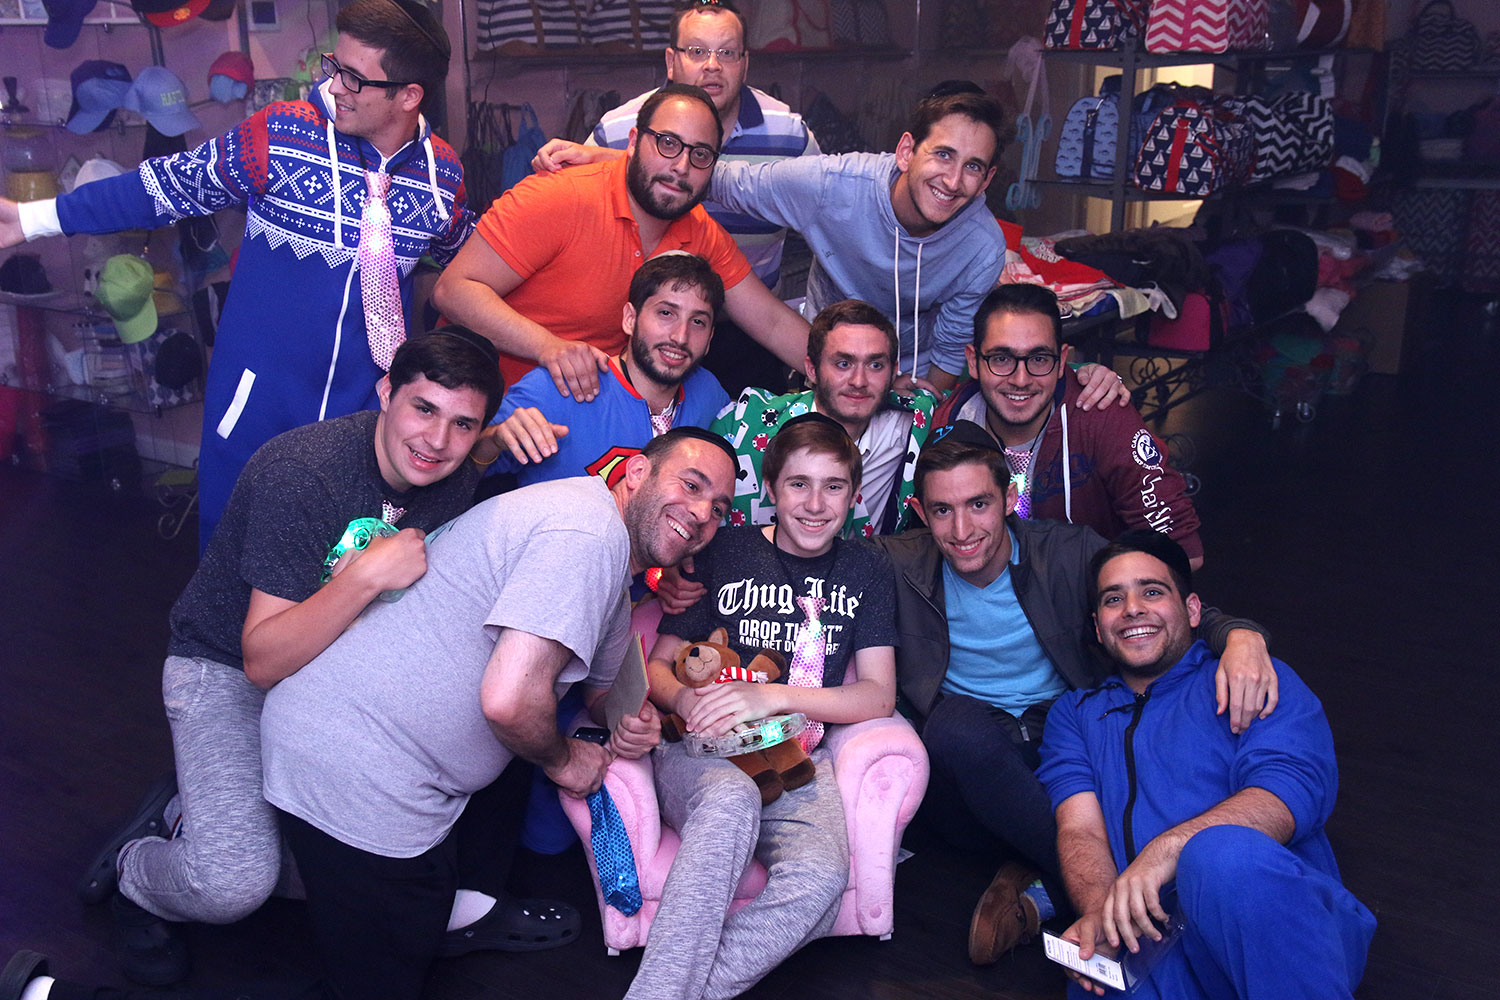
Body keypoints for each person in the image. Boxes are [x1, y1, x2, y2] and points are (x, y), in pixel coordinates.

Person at [4, 428, 739, 1000]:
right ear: (635, 474)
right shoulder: (587, 534)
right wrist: (565, 758)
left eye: (719, 508)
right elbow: (512, 701)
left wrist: (632, 718)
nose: (703, 514)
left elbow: (602, 685)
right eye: (692, 485)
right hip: (351, 764)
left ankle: (389, 896)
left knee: (408, 937)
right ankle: (57, 990)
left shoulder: (608, 561)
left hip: (394, 770)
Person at [75, 329, 506, 987]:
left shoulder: (455, 473)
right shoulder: (302, 472)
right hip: (225, 667)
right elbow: (262, 660)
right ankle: (137, 871)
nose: (437, 440)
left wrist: (509, 437)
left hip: (332, 673)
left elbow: (480, 460)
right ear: (386, 391)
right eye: (423, 408)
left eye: (462, 425)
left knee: (364, 873)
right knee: (234, 882)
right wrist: (366, 576)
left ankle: (195, 811)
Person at [0, 0, 471, 549]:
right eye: (333, 66)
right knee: (232, 562)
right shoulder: (282, 134)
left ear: (409, 95)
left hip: (366, 422)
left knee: (343, 570)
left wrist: (558, 175)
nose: (333, 86)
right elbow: (163, 187)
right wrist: (32, 219)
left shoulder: (442, 176)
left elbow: (478, 264)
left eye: (354, 77)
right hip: (258, 406)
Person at [876, 423, 1276, 967]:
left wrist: (1238, 633)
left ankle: (1043, 889)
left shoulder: (1067, 552)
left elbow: (1146, 598)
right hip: (968, 770)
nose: (962, 529)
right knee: (954, 729)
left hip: (1060, 748)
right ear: (920, 513)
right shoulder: (895, 562)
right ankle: (1114, 901)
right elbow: (811, 560)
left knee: (1118, 764)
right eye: (943, 510)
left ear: (1009, 499)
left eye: (979, 504)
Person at [1037, 532, 1375, 999]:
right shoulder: (1074, 716)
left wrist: (1167, 851)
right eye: (1113, 599)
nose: (1132, 608)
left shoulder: (1249, 676)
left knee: (1220, 857)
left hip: (1274, 932)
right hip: (1157, 949)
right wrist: (1100, 913)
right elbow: (1081, 830)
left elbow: (1288, 795)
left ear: (1193, 610)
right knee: (1094, 978)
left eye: (1152, 591)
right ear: (1098, 627)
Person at [632, 414, 898, 1000]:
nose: (815, 504)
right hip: (702, 750)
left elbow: (878, 694)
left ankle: (684, 992)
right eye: (799, 484)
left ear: (855, 495)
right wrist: (686, 698)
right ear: (772, 489)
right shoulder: (725, 550)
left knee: (823, 878)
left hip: (794, 753)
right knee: (731, 798)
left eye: (833, 486)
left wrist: (772, 694)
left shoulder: (868, 569)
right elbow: (658, 664)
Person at [433, 83, 808, 405]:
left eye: (700, 155)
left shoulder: (699, 230)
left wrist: (837, 370)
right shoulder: (560, 196)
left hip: (590, 417)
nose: (681, 166)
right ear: (632, 142)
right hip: (480, 411)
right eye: (667, 143)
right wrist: (548, 346)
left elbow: (772, 322)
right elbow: (453, 290)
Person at [587, 0, 820, 392]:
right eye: (696, 51)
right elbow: (582, 220)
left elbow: (829, 222)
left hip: (748, 332)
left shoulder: (789, 135)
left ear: (745, 63)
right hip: (637, 332)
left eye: (726, 53)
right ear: (671, 61)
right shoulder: (618, 130)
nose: (712, 65)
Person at [934, 284, 1204, 566]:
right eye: (1001, 359)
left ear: (1062, 360)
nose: (1020, 379)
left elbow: (1184, 553)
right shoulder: (947, 426)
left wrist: (1101, 585)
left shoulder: (1099, 413)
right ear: (973, 361)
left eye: (1039, 359)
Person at [476, 252, 730, 488]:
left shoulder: (710, 395)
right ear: (630, 319)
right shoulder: (560, 386)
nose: (680, 336)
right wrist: (493, 440)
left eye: (698, 322)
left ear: (710, 339)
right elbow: (461, 472)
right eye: (666, 313)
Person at [713, 299, 935, 540]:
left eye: (875, 365)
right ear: (812, 369)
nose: (859, 381)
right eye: (843, 364)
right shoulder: (743, 424)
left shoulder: (913, 422)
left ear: (892, 372)